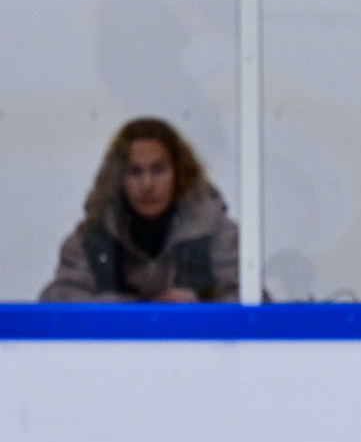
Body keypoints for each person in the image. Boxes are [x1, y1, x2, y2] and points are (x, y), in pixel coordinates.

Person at [40, 118, 239, 303]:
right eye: (135, 172)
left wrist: (199, 303)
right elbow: (57, 306)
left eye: (158, 170)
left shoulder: (217, 234)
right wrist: (135, 310)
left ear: (179, 174)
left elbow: (247, 299)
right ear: (118, 179)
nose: (147, 184)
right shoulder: (90, 240)